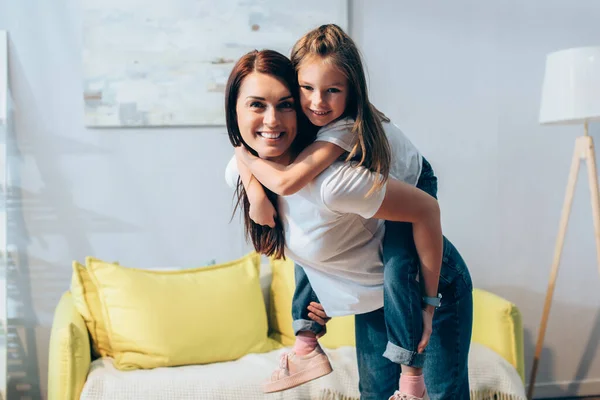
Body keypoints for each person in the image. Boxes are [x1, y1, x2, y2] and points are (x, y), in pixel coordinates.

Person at [225, 48, 473, 400]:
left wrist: (428, 304)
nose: (271, 120)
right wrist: (252, 182)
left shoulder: (335, 181)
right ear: (233, 111)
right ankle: (306, 344)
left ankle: (412, 377)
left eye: (284, 105)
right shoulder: (244, 169)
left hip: (426, 283)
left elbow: (426, 210)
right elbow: (321, 240)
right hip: (374, 296)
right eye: (256, 105)